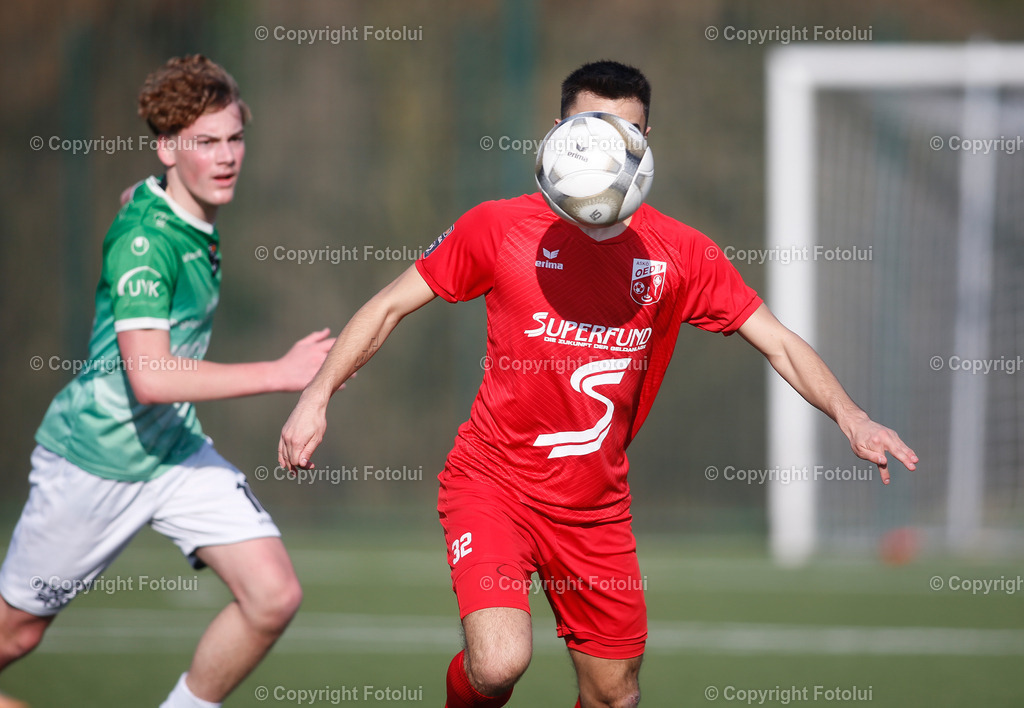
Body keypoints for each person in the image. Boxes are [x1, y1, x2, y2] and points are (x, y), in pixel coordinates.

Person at [278, 60, 919, 708]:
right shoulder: (499, 228)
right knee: (498, 663)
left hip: (594, 509)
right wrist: (317, 395)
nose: (608, 148)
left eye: (627, 132)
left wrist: (852, 416)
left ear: (647, 145)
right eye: (592, 128)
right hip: (493, 485)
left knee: (614, 695)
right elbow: (389, 305)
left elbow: (778, 340)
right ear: (559, 134)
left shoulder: (680, 253)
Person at [0, 55, 335, 708]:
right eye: (205, 142)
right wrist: (279, 373)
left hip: (172, 450)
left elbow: (139, 197)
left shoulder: (181, 207)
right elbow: (150, 376)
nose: (227, 157)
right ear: (167, 147)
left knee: (272, 596)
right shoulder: (145, 243)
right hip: (95, 460)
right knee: (16, 635)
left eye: (234, 138)